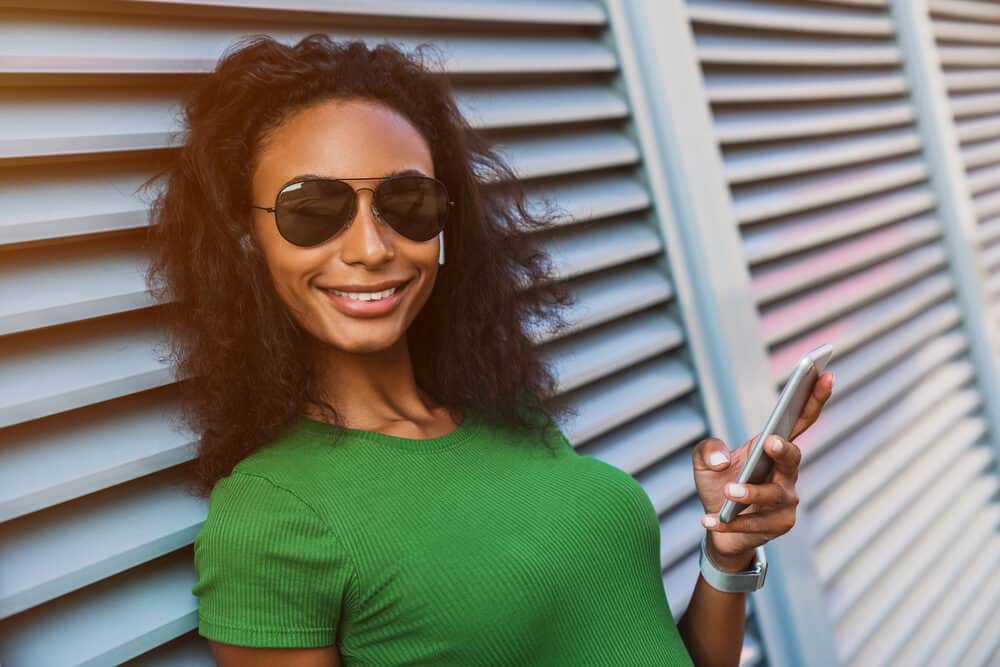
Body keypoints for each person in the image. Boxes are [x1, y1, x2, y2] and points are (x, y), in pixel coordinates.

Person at [142, 33, 833, 667]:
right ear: (246, 242)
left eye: (405, 203)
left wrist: (727, 551)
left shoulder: (510, 420)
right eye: (312, 210)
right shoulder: (270, 518)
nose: (370, 247)